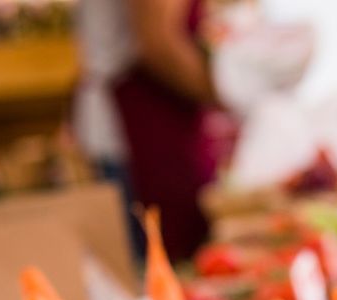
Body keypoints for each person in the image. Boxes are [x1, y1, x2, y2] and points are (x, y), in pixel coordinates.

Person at [74, 0, 224, 260]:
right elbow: (158, 43)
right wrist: (226, 91)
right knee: (161, 260)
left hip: (154, 118)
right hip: (142, 125)